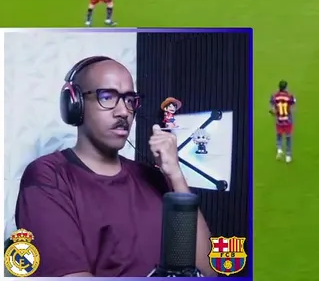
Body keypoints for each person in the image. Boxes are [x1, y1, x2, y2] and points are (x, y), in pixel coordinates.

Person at [15, 56, 215, 277]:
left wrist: (175, 174)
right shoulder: (48, 176)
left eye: (129, 100)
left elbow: (208, 271)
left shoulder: (153, 177)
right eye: (107, 96)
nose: (123, 112)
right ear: (75, 104)